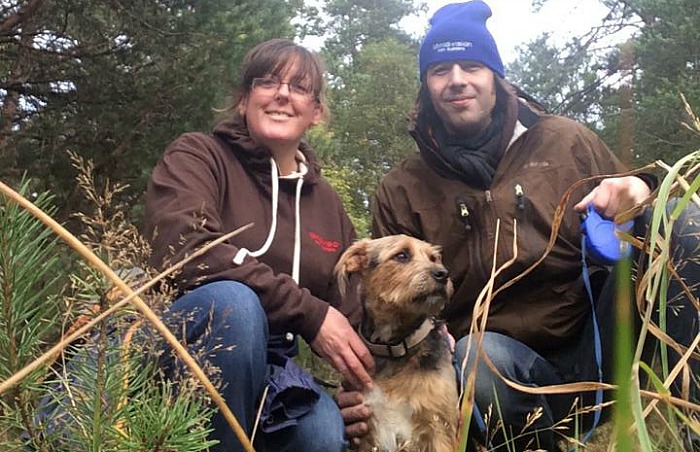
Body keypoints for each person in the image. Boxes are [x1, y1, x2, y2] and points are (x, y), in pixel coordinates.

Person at [338, 1, 699, 451]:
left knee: (687, 221)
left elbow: (649, 199)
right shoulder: (401, 188)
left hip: (600, 343)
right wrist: (365, 385)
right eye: (440, 69)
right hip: (495, 369)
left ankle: (693, 420)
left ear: (496, 76)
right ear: (426, 85)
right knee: (477, 355)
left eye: (471, 65)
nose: (456, 80)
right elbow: (385, 303)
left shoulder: (566, 140)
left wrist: (641, 188)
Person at [145, 38, 374, 452]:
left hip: (275, 372)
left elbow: (353, 309)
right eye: (268, 82)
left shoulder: (326, 205)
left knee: (323, 433)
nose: (283, 94)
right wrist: (309, 314)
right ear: (244, 99)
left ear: (317, 112)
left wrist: (377, 385)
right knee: (235, 304)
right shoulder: (199, 155)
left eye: (300, 87)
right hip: (180, 342)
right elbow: (188, 250)